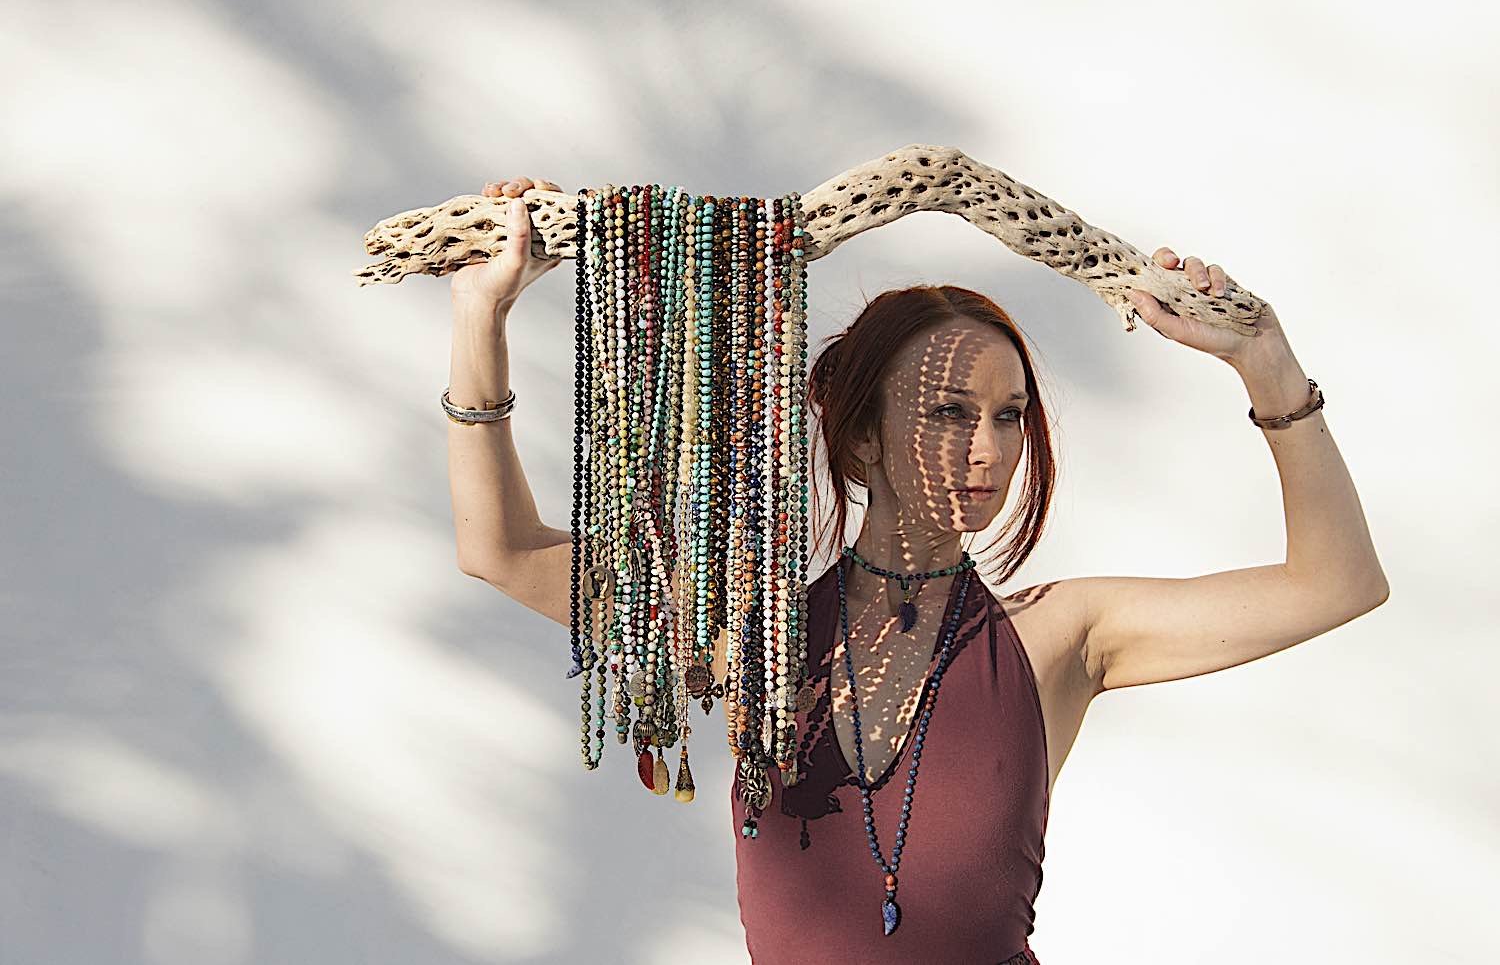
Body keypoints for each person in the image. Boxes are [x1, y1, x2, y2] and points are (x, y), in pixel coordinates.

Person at [445, 175, 1390, 964]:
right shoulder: (754, 632)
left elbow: (1337, 583)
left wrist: (1265, 363)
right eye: (948, 412)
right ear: (859, 436)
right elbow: (504, 550)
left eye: (1011, 414)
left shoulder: (1061, 634)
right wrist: (480, 314)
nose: (989, 448)